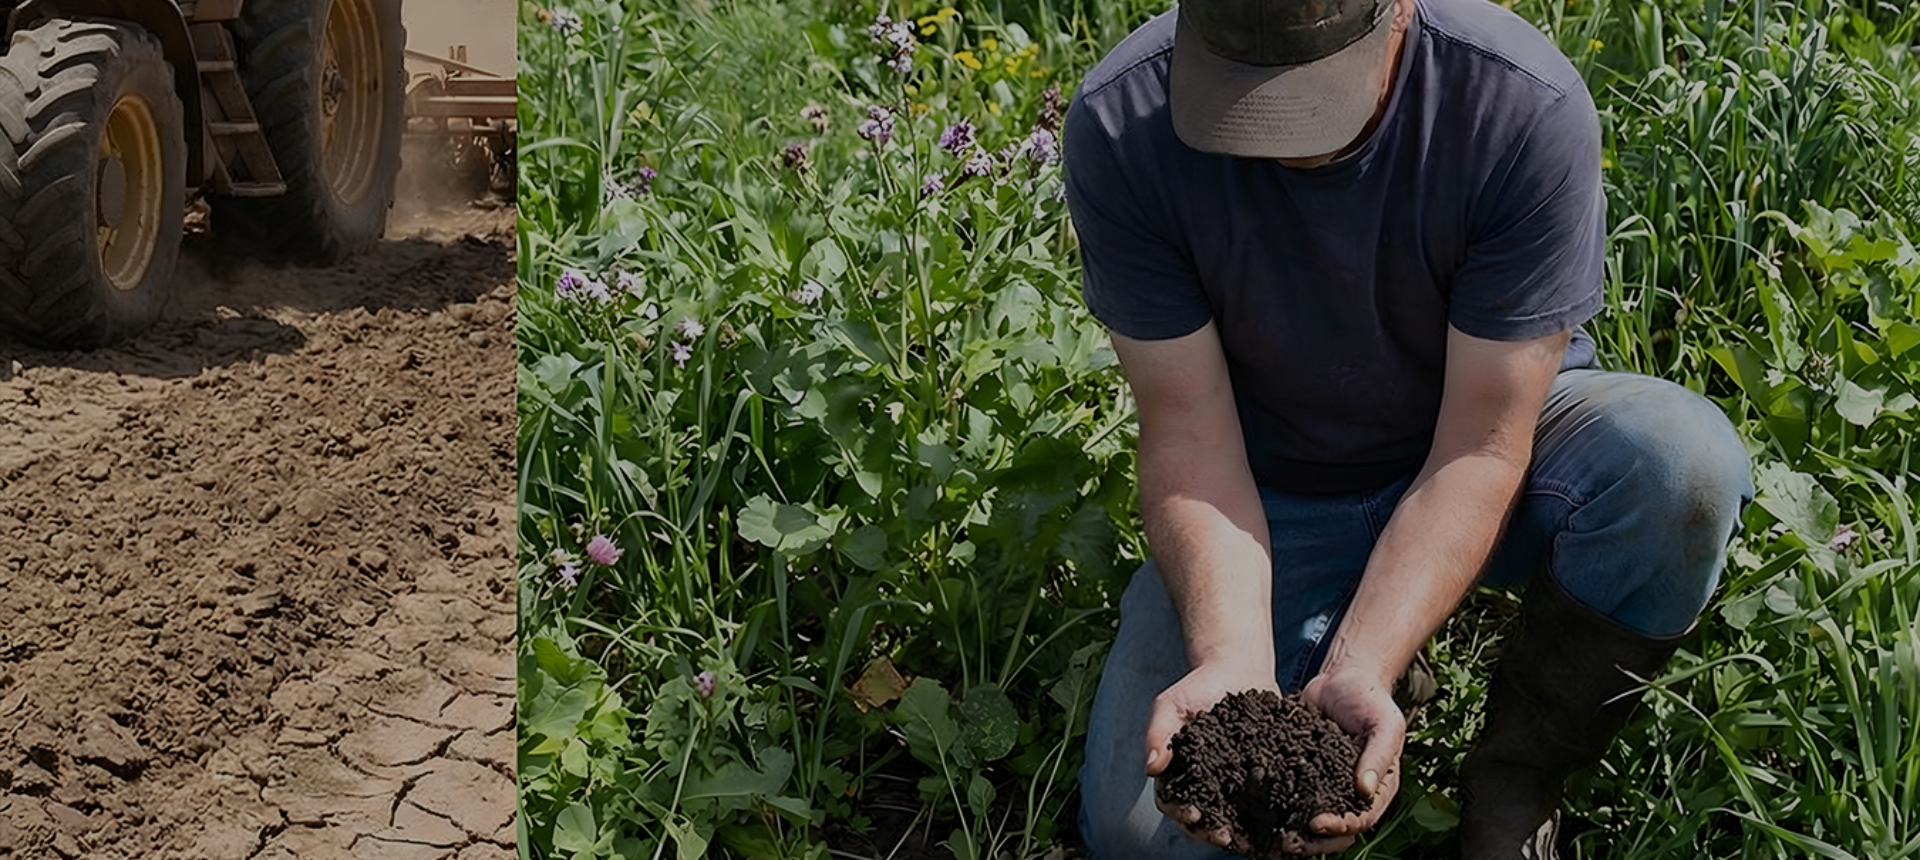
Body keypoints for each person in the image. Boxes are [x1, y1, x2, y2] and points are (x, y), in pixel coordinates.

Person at [1061, 0, 1754, 857]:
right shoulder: (1123, 124)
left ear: (1397, 13)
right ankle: (1326, 626)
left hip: (1492, 453)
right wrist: (1231, 661)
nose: (1286, 137)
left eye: (1315, 94)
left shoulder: (1516, 105)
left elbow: (1482, 444)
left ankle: (1517, 778)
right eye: (1246, 93)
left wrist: (1364, 661)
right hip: (1269, 493)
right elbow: (1191, 438)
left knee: (1678, 464)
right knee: (1141, 841)